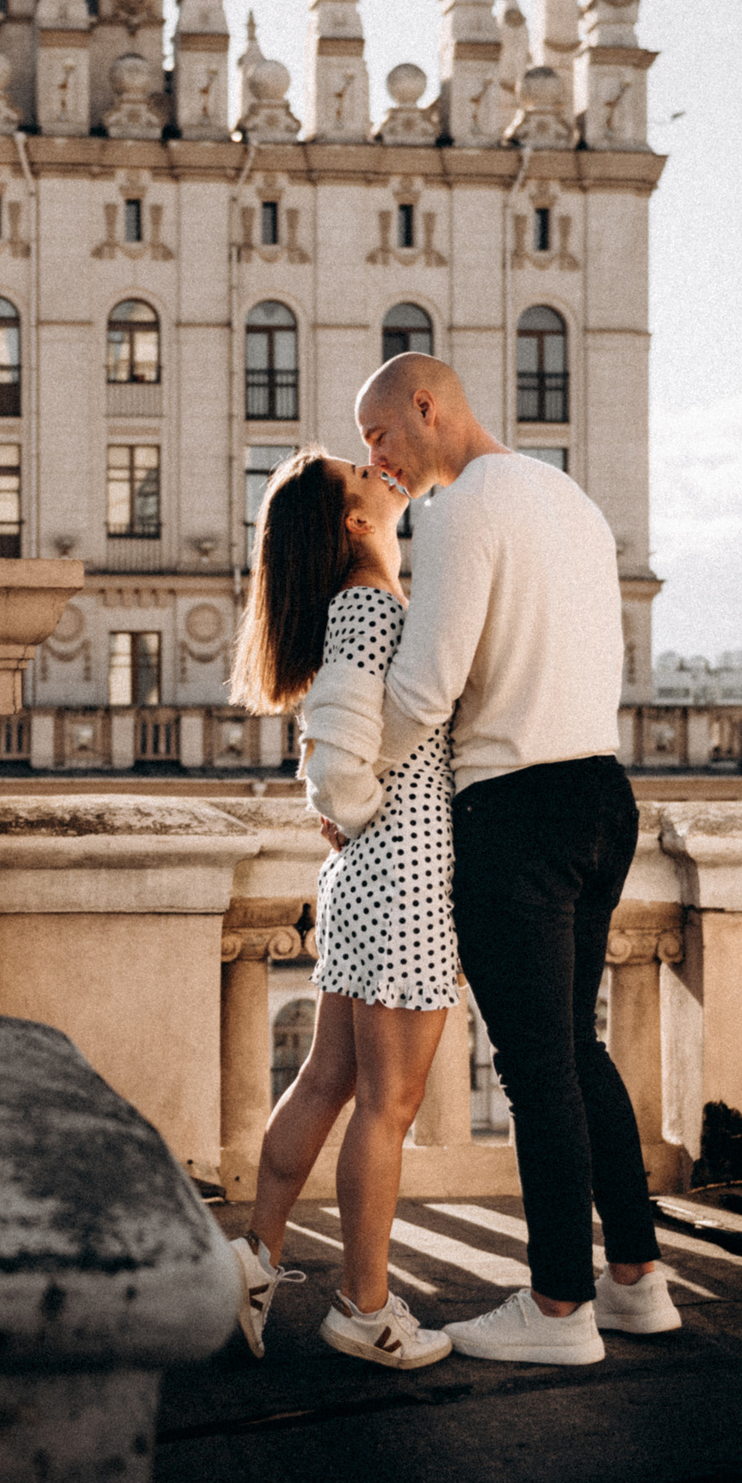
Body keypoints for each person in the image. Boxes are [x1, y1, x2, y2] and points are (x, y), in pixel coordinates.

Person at [354, 351, 681, 1365]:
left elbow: (426, 682)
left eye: (378, 436)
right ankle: (635, 1278)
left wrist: (350, 787)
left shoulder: (458, 508)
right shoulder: (566, 497)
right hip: (599, 792)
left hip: (516, 807)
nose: (377, 459)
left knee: (536, 1065)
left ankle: (555, 1309)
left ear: (425, 405)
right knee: (578, 1052)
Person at [226, 449, 459, 1371]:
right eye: (355, 473)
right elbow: (337, 758)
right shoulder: (367, 605)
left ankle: (255, 1259)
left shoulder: (352, 605)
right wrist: (347, 810)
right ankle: (363, 1309)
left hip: (370, 880)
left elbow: (336, 740)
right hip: (401, 880)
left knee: (327, 1080)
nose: (375, 467)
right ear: (355, 524)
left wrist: (347, 816)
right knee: (387, 1107)